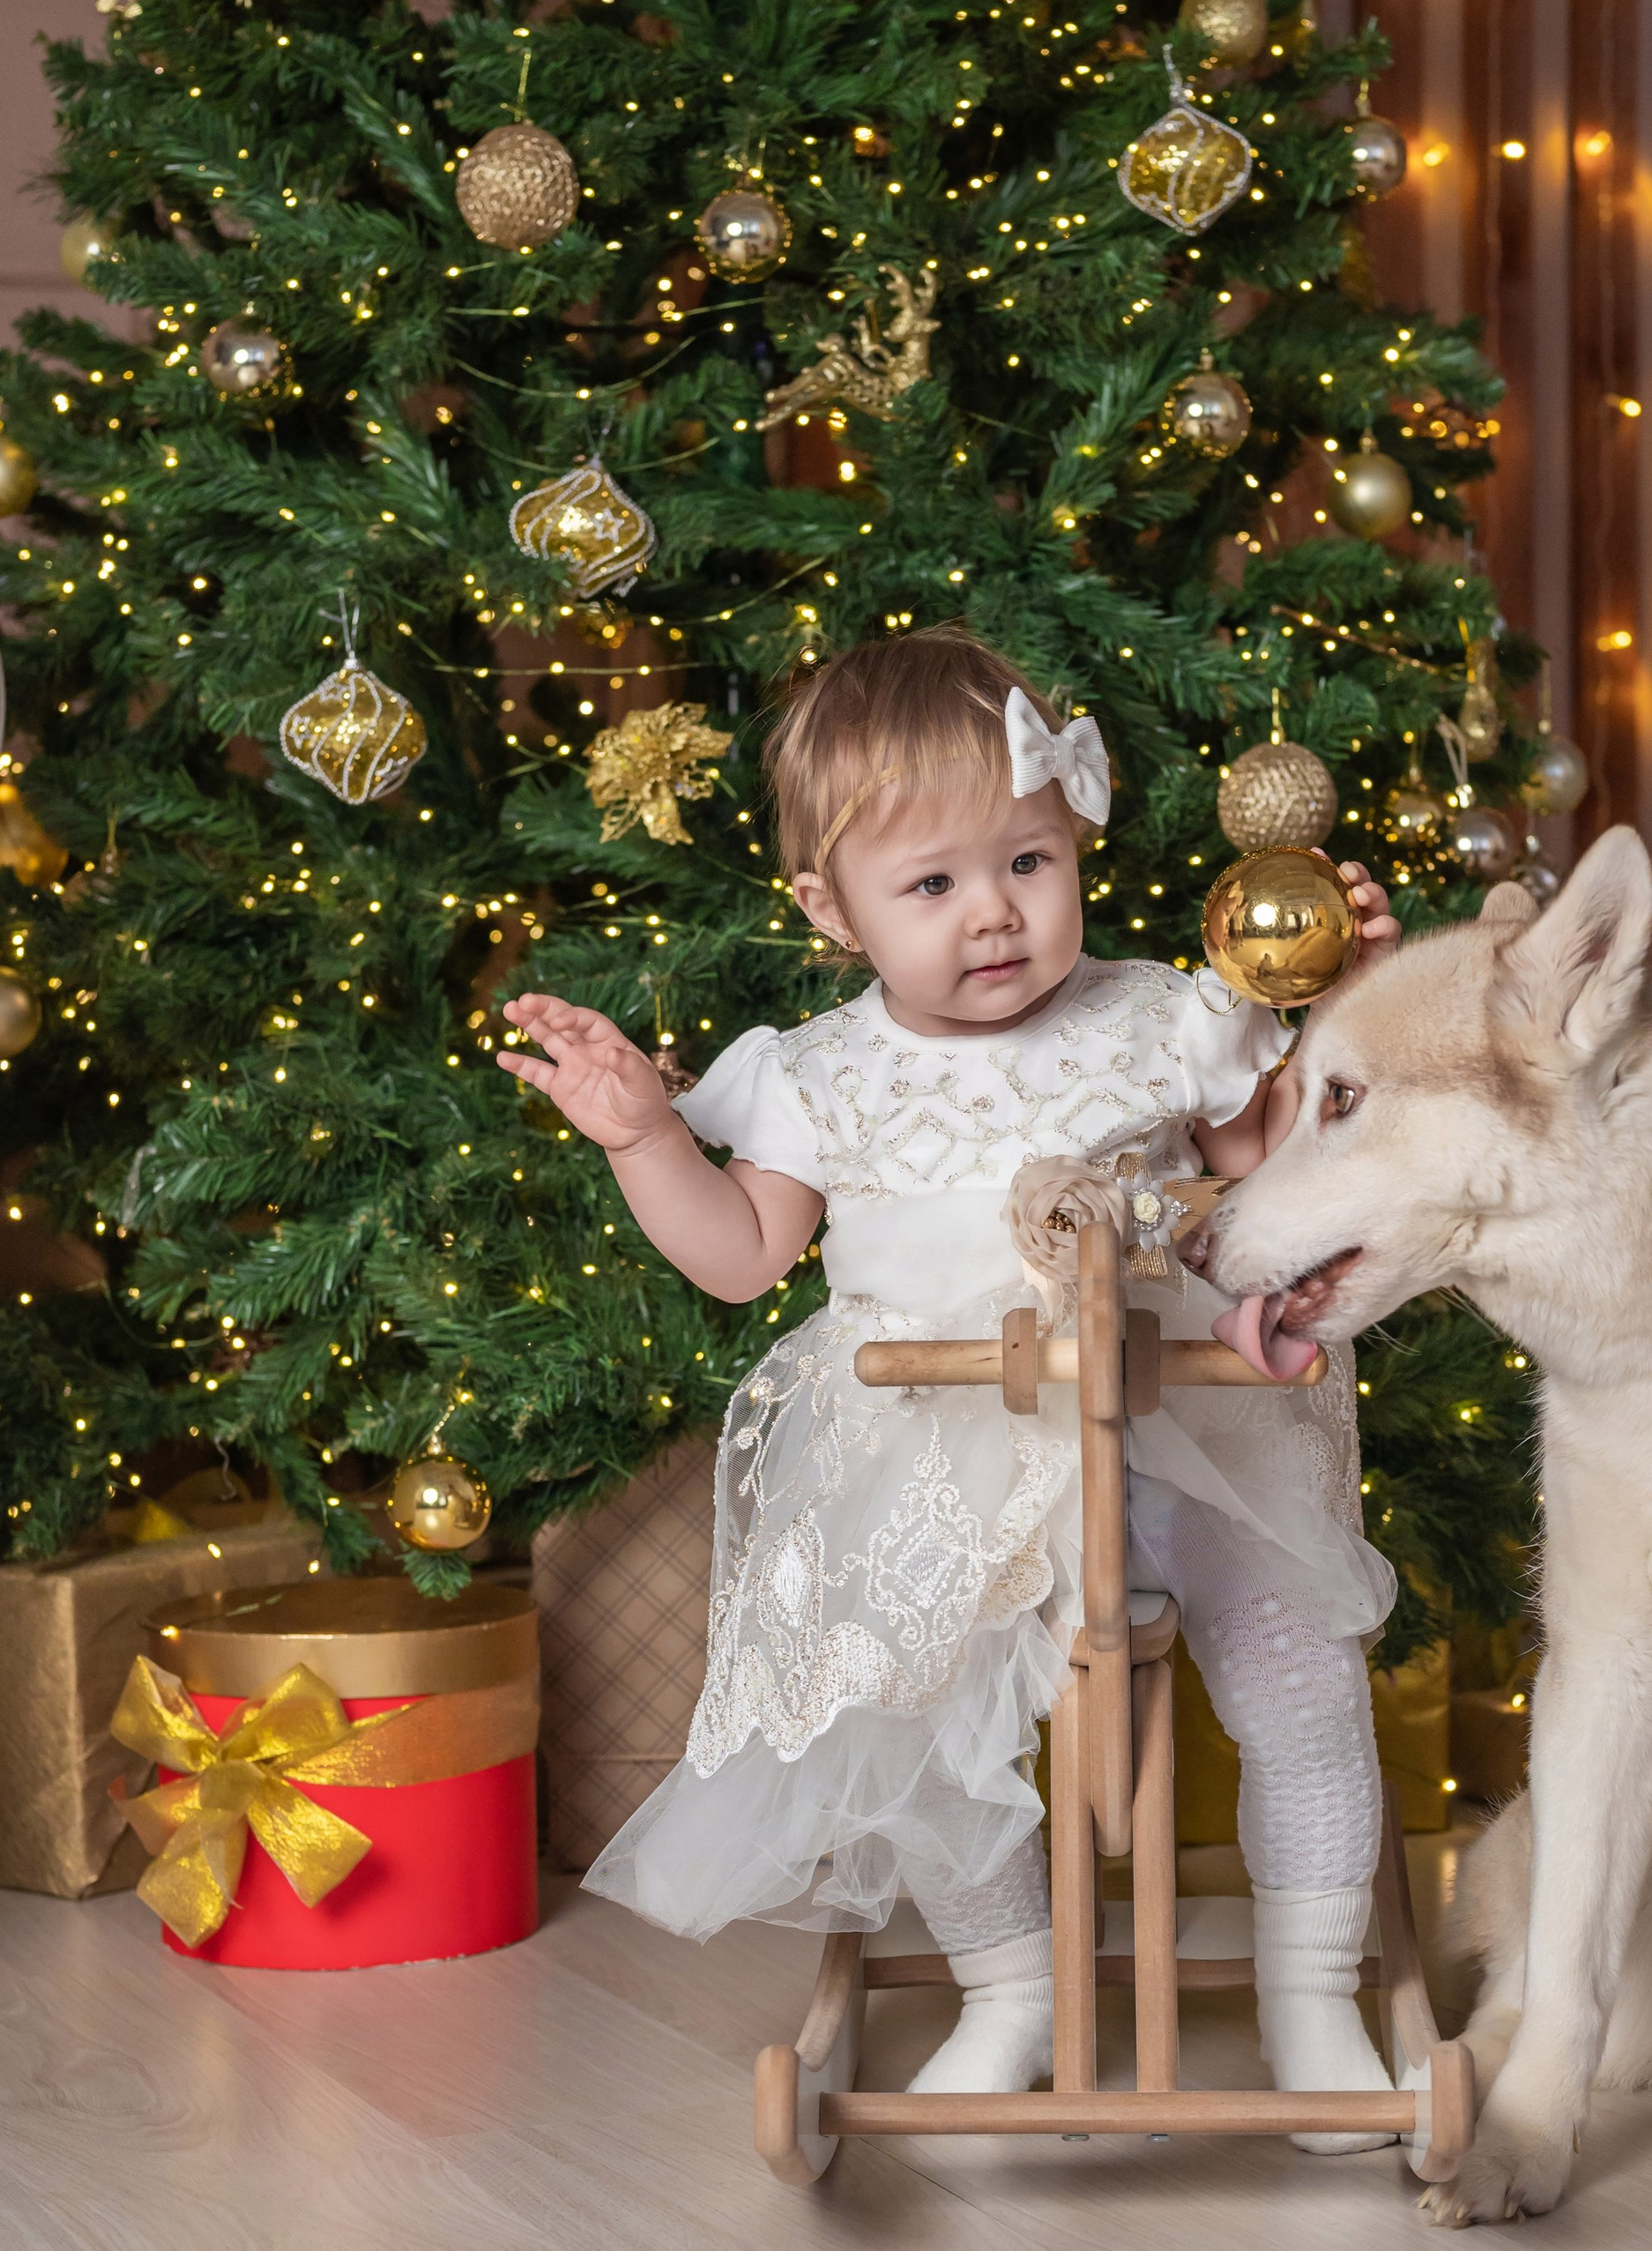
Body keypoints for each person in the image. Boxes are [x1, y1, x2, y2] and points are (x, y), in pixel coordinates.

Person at [498, 627, 1403, 2148]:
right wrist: (646, 1137)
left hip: (1187, 1422)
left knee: (1302, 1679)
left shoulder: (1165, 1016)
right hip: (944, 1449)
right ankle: (1006, 1989)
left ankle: (1316, 1987)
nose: (995, 915)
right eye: (932, 886)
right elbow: (740, 1255)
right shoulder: (817, 1072)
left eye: (1030, 862)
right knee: (916, 1711)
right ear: (829, 910)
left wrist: (1331, 1005)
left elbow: (1268, 1173)